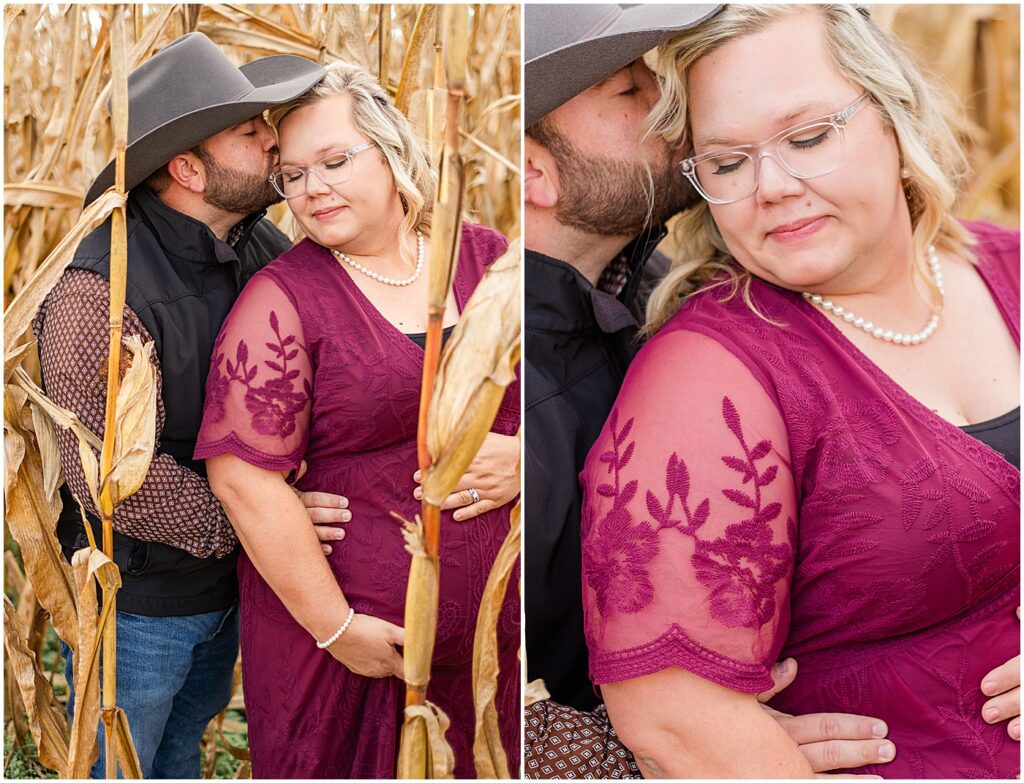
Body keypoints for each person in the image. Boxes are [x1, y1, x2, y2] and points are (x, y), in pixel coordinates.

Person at [580, 4, 1020, 777]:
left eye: (809, 138)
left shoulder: (1008, 262)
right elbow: (670, 716)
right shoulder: (706, 377)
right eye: (727, 162)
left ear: (891, 114)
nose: (773, 186)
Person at [523, 4, 898, 778]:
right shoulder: (499, 386)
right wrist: (644, 748)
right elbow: (439, 635)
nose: (672, 109)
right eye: (631, 92)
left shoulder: (677, 288)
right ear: (533, 172)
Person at [32, 33, 354, 778]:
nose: (273, 139)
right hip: (140, 603)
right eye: (249, 132)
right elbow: (108, 472)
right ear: (187, 168)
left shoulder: (258, 242)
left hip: (235, 582)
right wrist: (256, 518)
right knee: (127, 759)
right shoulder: (97, 291)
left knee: (182, 749)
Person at [193, 60, 521, 778]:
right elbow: (243, 481)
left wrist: (525, 458)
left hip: (491, 643)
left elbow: (558, 408)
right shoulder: (281, 301)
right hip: (356, 652)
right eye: (294, 175)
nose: (313, 188)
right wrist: (338, 629)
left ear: (394, 152)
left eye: (335, 161)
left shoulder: (487, 259)